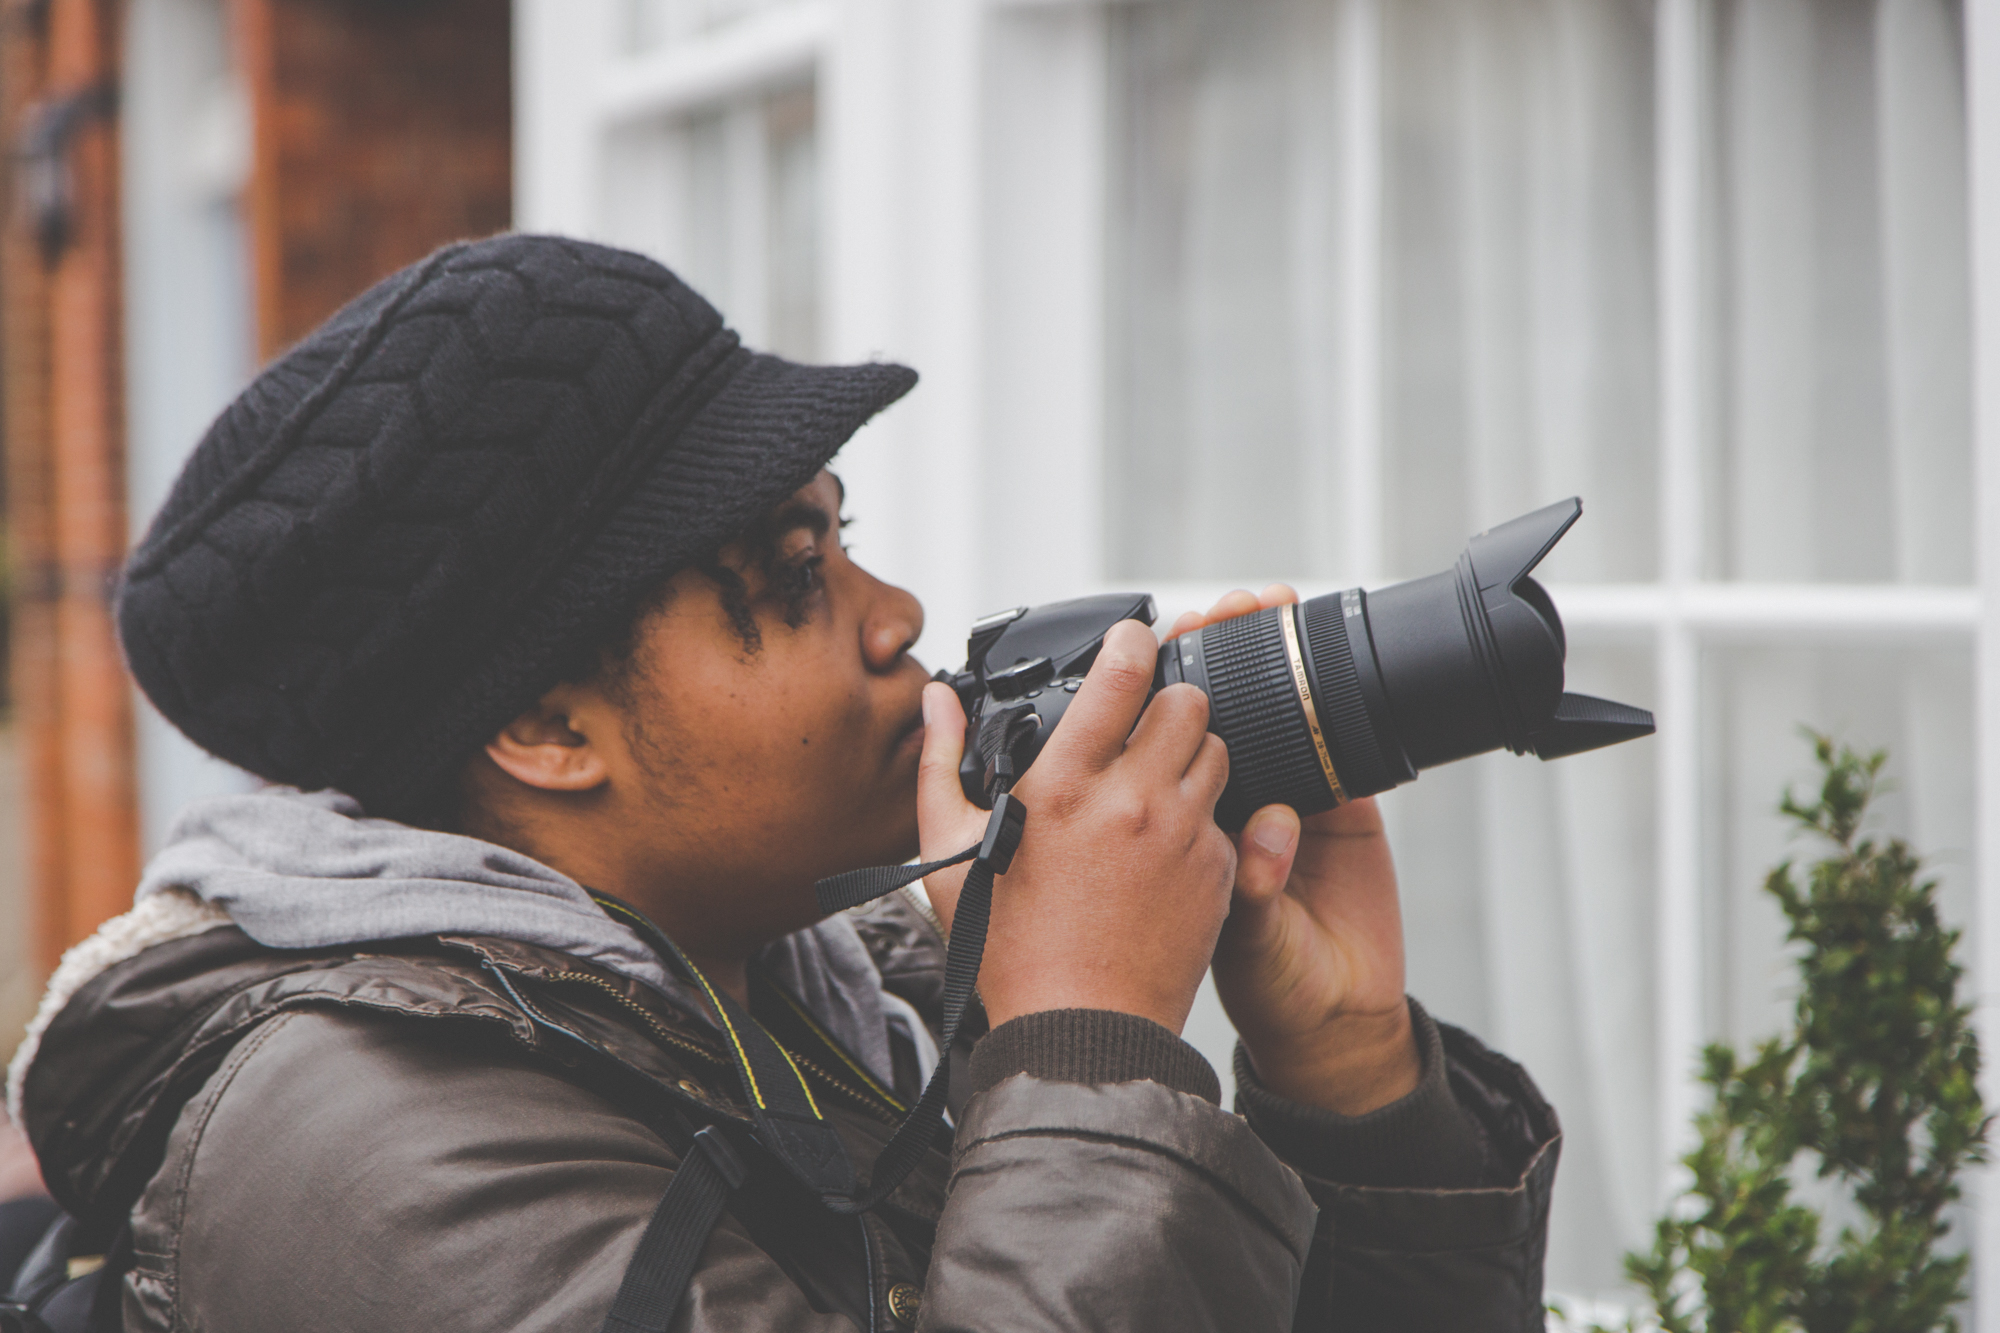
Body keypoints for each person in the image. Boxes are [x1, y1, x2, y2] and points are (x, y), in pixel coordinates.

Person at [6, 234, 1558, 1332]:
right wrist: (1085, 1045)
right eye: (797, 573)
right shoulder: (365, 1155)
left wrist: (1356, 1090)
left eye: (847, 529)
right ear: (548, 726)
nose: (894, 615)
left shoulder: (846, 1001)